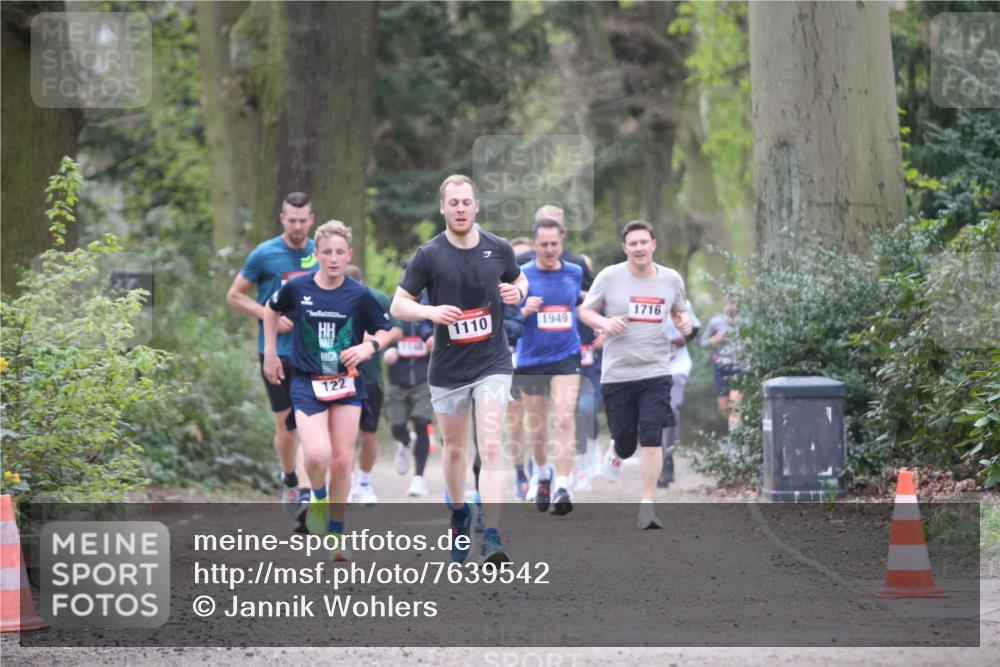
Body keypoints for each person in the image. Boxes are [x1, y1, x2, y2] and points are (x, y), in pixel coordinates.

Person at [390, 174, 527, 564]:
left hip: (493, 361)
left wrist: (519, 292)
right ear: (443, 208)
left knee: (492, 444)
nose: (461, 209)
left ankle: (494, 535)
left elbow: (521, 281)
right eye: (454, 203)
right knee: (453, 451)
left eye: (467, 202)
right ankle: (459, 514)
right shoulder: (429, 255)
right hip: (448, 366)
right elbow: (398, 305)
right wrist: (430, 312)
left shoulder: (498, 248)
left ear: (476, 206)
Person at [263, 220, 394, 560]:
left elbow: (387, 330)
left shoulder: (359, 294)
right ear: (316, 255)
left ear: (348, 254)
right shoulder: (298, 287)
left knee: (341, 459)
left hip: (347, 383)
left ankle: (337, 531)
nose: (334, 259)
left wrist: (369, 348)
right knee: (317, 455)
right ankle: (318, 497)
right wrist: (272, 354)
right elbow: (270, 309)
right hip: (307, 382)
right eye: (327, 253)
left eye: (340, 253)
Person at [578, 219, 692, 530]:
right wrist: (604, 324)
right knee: (626, 441)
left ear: (653, 244)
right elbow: (585, 311)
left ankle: (647, 505)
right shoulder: (610, 277)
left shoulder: (671, 279)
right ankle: (616, 452)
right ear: (625, 248)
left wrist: (684, 324)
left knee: (652, 437)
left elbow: (680, 311)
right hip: (617, 373)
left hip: (656, 370)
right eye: (633, 243)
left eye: (644, 242)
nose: (639, 248)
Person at [226, 191, 316, 523]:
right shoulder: (264, 254)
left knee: (309, 421)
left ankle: (308, 494)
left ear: (311, 219)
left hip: (312, 351)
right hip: (274, 352)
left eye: (302, 220)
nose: (296, 226)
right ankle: (289, 476)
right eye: (291, 220)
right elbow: (234, 295)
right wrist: (269, 315)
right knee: (287, 426)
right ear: (282, 219)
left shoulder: (318, 252)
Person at [512, 218, 584, 515]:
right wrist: (523, 310)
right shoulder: (521, 276)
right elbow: (505, 315)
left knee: (565, 419)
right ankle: (543, 473)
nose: (550, 249)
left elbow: (580, 306)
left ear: (562, 241)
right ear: (534, 244)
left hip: (567, 354)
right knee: (537, 427)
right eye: (544, 244)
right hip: (531, 359)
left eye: (555, 244)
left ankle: (563, 485)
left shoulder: (575, 272)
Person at [343, 265, 401, 505]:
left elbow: (395, 330)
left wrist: (373, 340)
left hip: (370, 377)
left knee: (368, 433)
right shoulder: (324, 297)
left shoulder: (377, 298)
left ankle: (364, 482)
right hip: (338, 378)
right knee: (342, 437)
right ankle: (344, 482)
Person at [383, 284, 435, 497]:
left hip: (424, 378)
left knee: (422, 422)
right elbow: (382, 333)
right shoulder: (393, 307)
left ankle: (418, 478)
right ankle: (405, 442)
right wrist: (388, 351)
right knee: (397, 427)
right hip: (397, 379)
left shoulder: (433, 305)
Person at [659, 299, 701, 488]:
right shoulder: (642, 301)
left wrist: (682, 339)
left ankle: (667, 456)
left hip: (677, 366)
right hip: (651, 367)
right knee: (655, 414)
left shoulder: (683, 303)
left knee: (672, 410)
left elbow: (694, 328)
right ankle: (660, 459)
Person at [701, 295, 742, 430]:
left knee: (735, 403)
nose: (731, 306)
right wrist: (715, 339)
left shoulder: (744, 322)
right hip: (720, 366)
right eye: (728, 303)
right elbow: (703, 343)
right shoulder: (715, 322)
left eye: (734, 304)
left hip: (739, 366)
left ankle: (736, 437)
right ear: (724, 305)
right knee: (724, 407)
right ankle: (733, 428)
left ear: (738, 306)